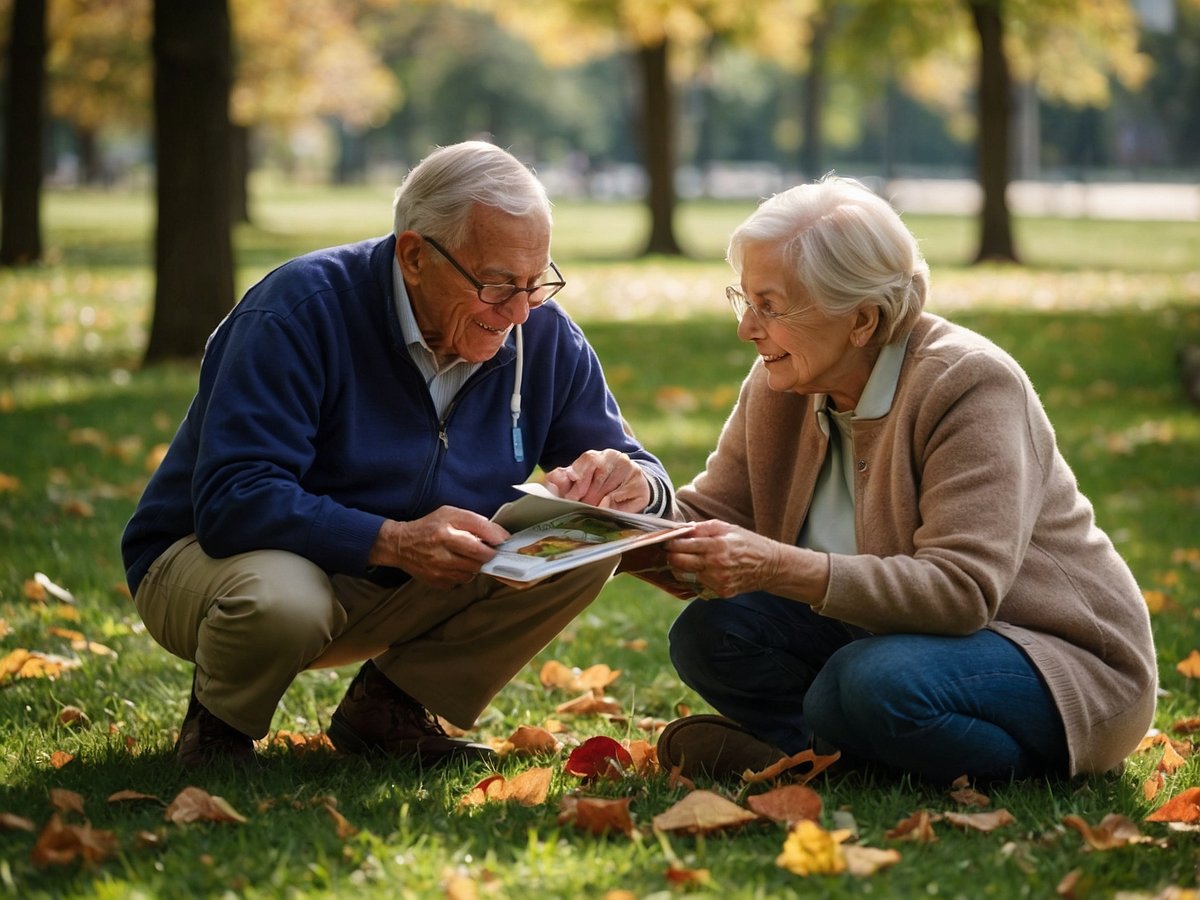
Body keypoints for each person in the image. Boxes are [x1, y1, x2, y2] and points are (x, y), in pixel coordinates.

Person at [121, 141, 673, 768]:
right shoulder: (300, 311)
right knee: (284, 598)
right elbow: (233, 501)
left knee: (580, 546)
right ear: (414, 256)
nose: (520, 312)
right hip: (217, 566)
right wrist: (393, 539)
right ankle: (219, 725)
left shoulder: (540, 332)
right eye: (497, 285)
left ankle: (390, 709)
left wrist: (634, 484)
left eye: (536, 282)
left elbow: (646, 475)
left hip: (401, 579)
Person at [654, 175, 1157, 785]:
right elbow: (713, 520)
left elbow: (960, 592)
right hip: (884, 640)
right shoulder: (780, 382)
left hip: (1054, 659)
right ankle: (836, 759)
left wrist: (777, 567)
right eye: (744, 300)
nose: (747, 329)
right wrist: (622, 522)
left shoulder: (968, 383)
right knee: (711, 633)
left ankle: (831, 756)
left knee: (868, 681)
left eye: (771, 305)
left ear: (861, 320)